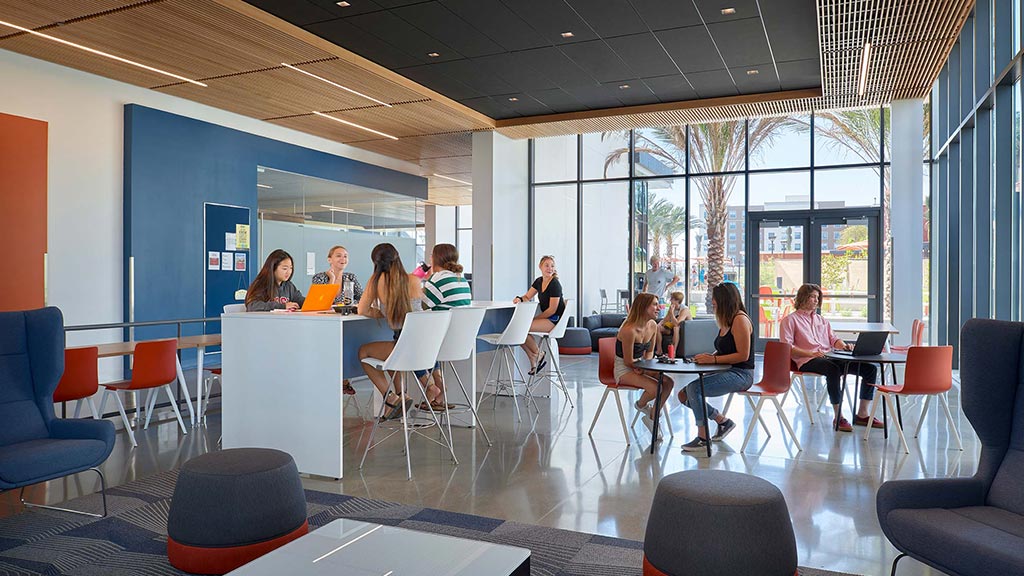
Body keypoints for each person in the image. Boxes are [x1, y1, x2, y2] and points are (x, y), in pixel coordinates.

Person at [778, 283, 883, 432]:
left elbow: (833, 339)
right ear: (802, 298)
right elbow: (786, 348)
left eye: (817, 297)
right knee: (832, 369)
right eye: (812, 296)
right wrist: (810, 353)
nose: (816, 300)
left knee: (869, 369)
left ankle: (862, 414)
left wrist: (843, 345)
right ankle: (838, 416)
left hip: (828, 356)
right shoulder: (790, 321)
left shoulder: (822, 320)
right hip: (807, 360)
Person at [357, 243, 431, 420]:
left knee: (364, 352)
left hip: (403, 348)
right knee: (393, 351)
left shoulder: (376, 281)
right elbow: (425, 307)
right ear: (397, 258)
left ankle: (390, 398)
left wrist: (381, 312)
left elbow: (362, 310)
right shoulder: (413, 280)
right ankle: (401, 394)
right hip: (425, 347)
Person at [677, 282, 753, 453]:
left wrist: (714, 359)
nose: (712, 301)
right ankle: (722, 421)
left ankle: (703, 438)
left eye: (715, 298)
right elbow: (723, 349)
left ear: (724, 299)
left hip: (741, 374)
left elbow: (743, 355)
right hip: (728, 370)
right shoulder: (727, 320)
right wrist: (706, 358)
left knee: (694, 388)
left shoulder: (740, 319)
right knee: (683, 395)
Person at [416, 243, 472, 410]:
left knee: (410, 343)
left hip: (441, 340)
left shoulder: (437, 278)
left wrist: (419, 279)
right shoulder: (461, 279)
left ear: (435, 258)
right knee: (427, 341)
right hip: (458, 341)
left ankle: (432, 387)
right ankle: (440, 385)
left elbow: (422, 305)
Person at [615, 293, 675, 429]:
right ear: (643, 307)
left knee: (668, 383)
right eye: (654, 304)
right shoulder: (629, 330)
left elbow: (649, 353)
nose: (658, 308)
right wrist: (642, 367)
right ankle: (641, 406)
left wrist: (646, 367)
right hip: (624, 369)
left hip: (640, 365)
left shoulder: (653, 325)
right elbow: (628, 360)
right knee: (655, 388)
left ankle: (653, 416)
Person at [311, 246, 363, 396]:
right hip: (326, 322)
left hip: (346, 319)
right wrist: (332, 279)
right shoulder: (320, 277)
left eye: (345, 256)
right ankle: (338, 380)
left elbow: (361, 297)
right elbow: (323, 301)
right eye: (339, 256)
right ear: (330, 259)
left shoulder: (350, 277)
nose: (343, 259)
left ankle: (344, 377)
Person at [513, 255, 565, 375]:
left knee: (522, 327)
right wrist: (519, 299)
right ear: (540, 267)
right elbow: (527, 296)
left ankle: (539, 354)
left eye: (552, 266)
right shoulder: (539, 281)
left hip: (555, 320)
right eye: (546, 265)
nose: (549, 268)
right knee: (518, 329)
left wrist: (534, 319)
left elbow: (552, 310)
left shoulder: (555, 284)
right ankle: (533, 357)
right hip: (547, 318)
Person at [658, 291, 691, 355]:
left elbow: (677, 323)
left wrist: (672, 313)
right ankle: (659, 350)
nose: (670, 300)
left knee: (676, 328)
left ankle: (673, 351)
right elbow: (665, 319)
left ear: (677, 300)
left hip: (684, 330)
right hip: (672, 328)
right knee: (658, 328)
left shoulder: (685, 309)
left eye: (672, 299)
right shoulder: (672, 308)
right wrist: (659, 324)